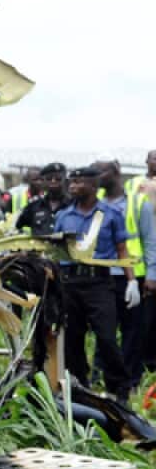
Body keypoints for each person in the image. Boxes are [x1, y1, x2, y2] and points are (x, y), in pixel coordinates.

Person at [55, 166, 134, 398]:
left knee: (107, 338)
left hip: (99, 284)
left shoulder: (110, 214)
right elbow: (56, 251)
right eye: (72, 182)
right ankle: (80, 388)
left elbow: (122, 249)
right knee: (72, 340)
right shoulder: (63, 216)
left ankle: (119, 390)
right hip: (70, 284)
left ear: (93, 185)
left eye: (78, 182)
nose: (73, 186)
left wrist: (131, 281)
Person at [91, 160, 156, 390]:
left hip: (133, 277)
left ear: (116, 173)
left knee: (132, 331)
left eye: (102, 171)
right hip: (101, 275)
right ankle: (99, 377)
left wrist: (151, 275)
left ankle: (129, 379)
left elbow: (150, 241)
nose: (97, 176)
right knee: (103, 330)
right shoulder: (93, 202)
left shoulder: (138, 202)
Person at [15, 162, 67, 235]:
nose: (53, 181)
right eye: (49, 178)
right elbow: (17, 227)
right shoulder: (33, 206)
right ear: (44, 181)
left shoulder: (73, 205)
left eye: (58, 178)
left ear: (65, 180)